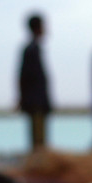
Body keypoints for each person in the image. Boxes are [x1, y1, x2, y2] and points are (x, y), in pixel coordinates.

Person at [17, 13, 52, 151]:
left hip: (38, 101)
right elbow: (23, 76)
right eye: (43, 26)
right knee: (38, 141)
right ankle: (38, 167)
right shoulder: (31, 49)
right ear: (37, 28)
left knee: (39, 139)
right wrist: (22, 98)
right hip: (35, 102)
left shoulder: (35, 48)